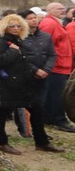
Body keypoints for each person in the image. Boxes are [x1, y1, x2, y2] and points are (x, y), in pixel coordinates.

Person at [18, 8, 63, 152]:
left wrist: (46, 70)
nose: (34, 20)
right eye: (30, 18)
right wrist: (35, 70)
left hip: (43, 77)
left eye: (35, 17)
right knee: (23, 107)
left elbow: (52, 55)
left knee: (38, 108)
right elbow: (20, 57)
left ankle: (41, 141)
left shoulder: (45, 36)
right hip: (25, 78)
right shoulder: (19, 38)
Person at [38, 2, 75, 132]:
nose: (63, 10)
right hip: (56, 65)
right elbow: (44, 44)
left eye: (63, 8)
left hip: (60, 64)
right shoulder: (50, 23)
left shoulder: (55, 22)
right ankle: (59, 120)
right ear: (50, 10)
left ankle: (49, 118)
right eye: (59, 9)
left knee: (52, 93)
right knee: (57, 94)